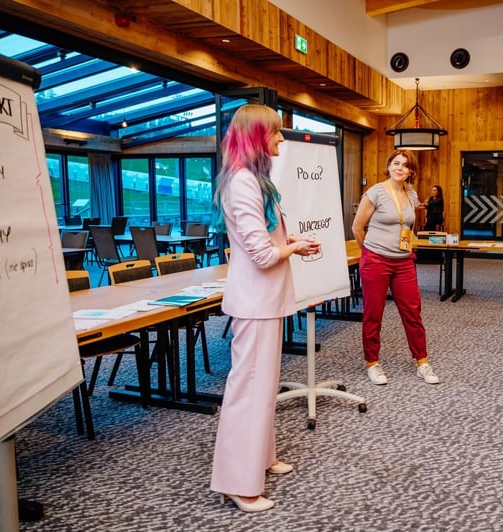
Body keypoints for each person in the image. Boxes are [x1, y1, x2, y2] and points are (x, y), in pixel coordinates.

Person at [210, 104, 321, 513]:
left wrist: (291, 242)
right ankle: (238, 483)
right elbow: (260, 254)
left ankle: (261, 457)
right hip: (255, 302)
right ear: (256, 136)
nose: (281, 138)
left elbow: (264, 239)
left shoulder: (254, 179)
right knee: (249, 391)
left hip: (265, 301)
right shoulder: (243, 182)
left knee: (263, 388)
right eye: (275, 132)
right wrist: (293, 248)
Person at [351, 149, 440, 386]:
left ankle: (422, 362)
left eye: (405, 165)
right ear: (389, 166)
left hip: (403, 261)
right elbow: (357, 228)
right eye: (396, 163)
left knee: (413, 312)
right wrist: (369, 252)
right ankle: (372, 363)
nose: (400, 168)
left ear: (411, 171)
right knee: (373, 313)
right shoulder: (375, 192)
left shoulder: (411, 194)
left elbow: (407, 225)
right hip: (376, 260)